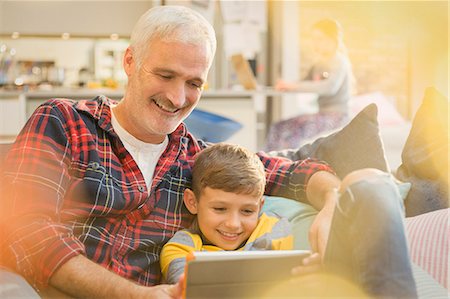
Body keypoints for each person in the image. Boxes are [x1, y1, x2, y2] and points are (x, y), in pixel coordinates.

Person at [0, 5, 417, 299]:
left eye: (194, 83)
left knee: (370, 184)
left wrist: (330, 200)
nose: (178, 97)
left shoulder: (197, 158)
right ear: (130, 61)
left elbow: (289, 171)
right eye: (164, 75)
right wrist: (136, 296)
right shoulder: (63, 122)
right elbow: (28, 233)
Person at [160, 143, 293, 284]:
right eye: (219, 209)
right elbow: (188, 288)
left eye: (247, 211)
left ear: (260, 207)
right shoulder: (181, 248)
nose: (233, 224)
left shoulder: (272, 228)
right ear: (192, 202)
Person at [266, 18, 354, 151]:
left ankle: (289, 167)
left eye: (319, 39)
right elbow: (305, 82)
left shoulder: (339, 61)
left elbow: (329, 87)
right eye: (313, 39)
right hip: (322, 114)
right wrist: (285, 85)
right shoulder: (319, 63)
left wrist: (292, 86)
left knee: (297, 131)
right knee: (278, 127)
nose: (315, 43)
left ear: (332, 39)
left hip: (338, 117)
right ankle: (268, 164)